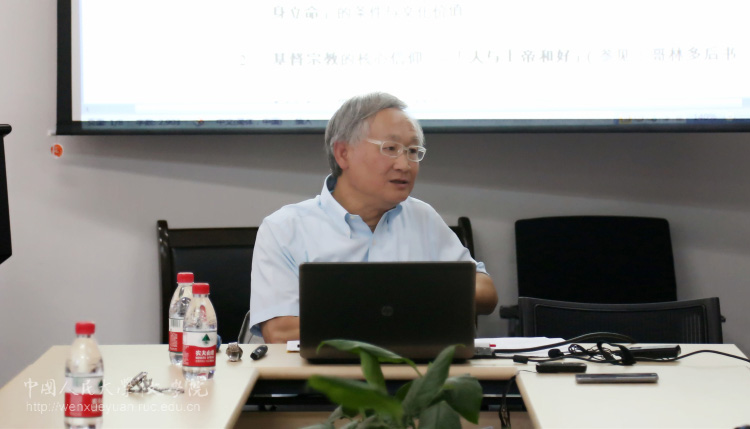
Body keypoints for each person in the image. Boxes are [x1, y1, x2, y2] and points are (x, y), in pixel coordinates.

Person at [249, 92, 498, 343]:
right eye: (390, 148)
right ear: (343, 153)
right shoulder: (284, 229)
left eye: (412, 151)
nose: (404, 165)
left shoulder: (422, 217)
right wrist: (390, 310)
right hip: (324, 368)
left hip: (418, 366)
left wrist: (409, 297)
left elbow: (486, 292)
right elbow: (280, 332)